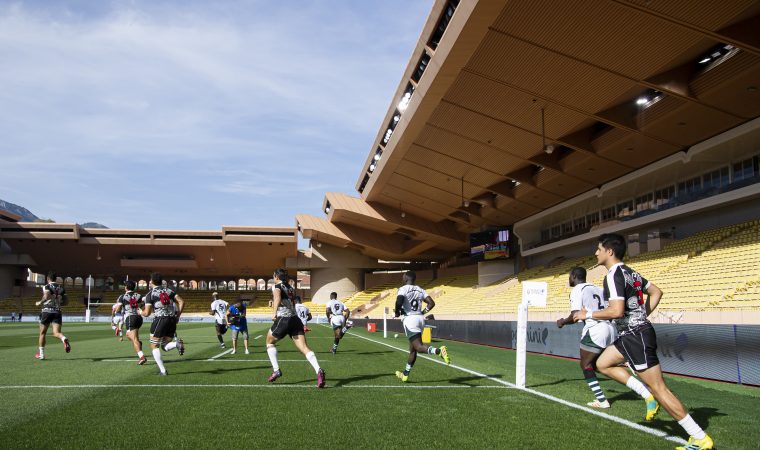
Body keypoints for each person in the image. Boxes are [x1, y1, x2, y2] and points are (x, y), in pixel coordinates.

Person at [574, 234, 712, 450]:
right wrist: (641, 315)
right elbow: (656, 292)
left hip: (635, 336)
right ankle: (647, 395)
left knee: (660, 389)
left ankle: (699, 438)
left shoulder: (612, 275)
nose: (595, 253)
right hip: (630, 335)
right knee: (602, 364)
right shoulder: (630, 272)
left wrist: (588, 314)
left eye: (599, 249)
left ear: (609, 251)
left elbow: (616, 310)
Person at [557, 267, 658, 415]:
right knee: (600, 365)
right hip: (611, 328)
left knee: (586, 365)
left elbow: (575, 315)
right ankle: (646, 391)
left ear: (573, 276)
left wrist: (562, 322)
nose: (569, 280)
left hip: (596, 330)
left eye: (569, 276)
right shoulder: (597, 288)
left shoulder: (577, 289)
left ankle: (603, 400)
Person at [265, 268, 325, 388]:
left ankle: (276, 370)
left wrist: (274, 312)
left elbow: (277, 298)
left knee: (269, 342)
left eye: (273, 275)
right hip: (295, 319)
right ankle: (318, 370)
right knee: (304, 348)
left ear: (276, 276)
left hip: (283, 319)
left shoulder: (277, 286)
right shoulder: (290, 287)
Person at [394, 271, 449, 382]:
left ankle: (438, 351)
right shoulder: (420, 289)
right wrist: (423, 312)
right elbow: (431, 303)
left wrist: (397, 312)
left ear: (405, 278)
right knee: (412, 350)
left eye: (403, 276)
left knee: (418, 347)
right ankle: (405, 374)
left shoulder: (403, 289)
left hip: (410, 320)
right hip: (420, 319)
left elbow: (399, 301)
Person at [141, 273, 185, 376]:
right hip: (172, 320)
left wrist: (140, 312)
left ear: (151, 282)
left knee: (154, 346)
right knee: (164, 346)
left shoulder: (150, 294)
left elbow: (146, 313)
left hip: (160, 319)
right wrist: (178, 316)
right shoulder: (169, 291)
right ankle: (176, 344)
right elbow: (181, 301)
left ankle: (163, 371)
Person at [34, 271, 71, 360]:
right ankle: (63, 338)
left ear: (48, 279)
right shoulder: (61, 287)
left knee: (42, 333)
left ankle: (41, 354)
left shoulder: (47, 286)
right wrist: (57, 303)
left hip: (47, 311)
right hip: (57, 311)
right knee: (56, 333)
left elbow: (46, 296)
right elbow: (66, 302)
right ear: (56, 279)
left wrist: (40, 302)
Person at [114, 280, 146, 364]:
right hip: (139, 318)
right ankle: (139, 346)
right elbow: (144, 303)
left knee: (131, 337)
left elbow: (118, 309)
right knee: (134, 337)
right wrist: (140, 307)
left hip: (130, 318)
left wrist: (115, 309)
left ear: (126, 287)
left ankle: (142, 357)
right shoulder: (139, 295)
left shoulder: (122, 297)